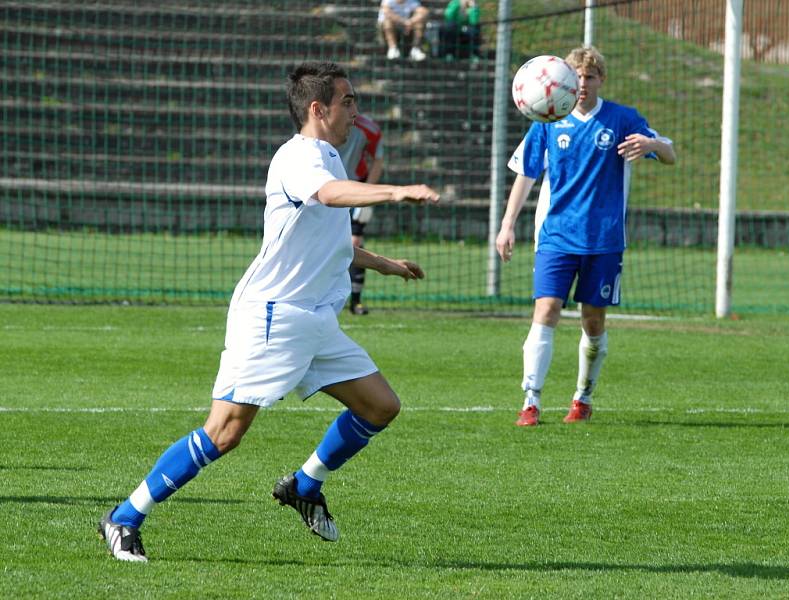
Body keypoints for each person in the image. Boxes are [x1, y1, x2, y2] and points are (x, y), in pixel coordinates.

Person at [98, 61, 440, 561]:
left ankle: (304, 485)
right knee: (225, 432)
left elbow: (326, 239)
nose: (356, 112)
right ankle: (124, 517)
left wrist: (383, 264)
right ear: (318, 109)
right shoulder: (299, 156)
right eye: (348, 102)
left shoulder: (328, 157)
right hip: (272, 315)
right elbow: (328, 195)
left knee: (380, 406)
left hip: (314, 320)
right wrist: (397, 190)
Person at [495, 46, 675, 427]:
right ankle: (531, 401)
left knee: (593, 321)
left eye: (589, 77)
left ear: (600, 80)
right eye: (574, 77)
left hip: (605, 240)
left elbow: (671, 154)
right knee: (545, 310)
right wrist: (507, 224)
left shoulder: (622, 119)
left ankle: (583, 397)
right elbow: (525, 175)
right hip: (556, 236)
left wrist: (652, 145)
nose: (581, 84)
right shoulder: (546, 120)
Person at [336, 114, 384, 315]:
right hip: (327, 189)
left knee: (354, 242)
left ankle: (355, 301)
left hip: (356, 188)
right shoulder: (318, 127)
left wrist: (367, 193)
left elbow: (378, 161)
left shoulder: (369, 129)